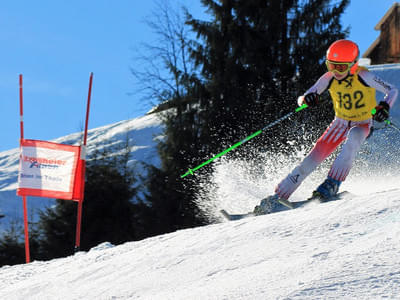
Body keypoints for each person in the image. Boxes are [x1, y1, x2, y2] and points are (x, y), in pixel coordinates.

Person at [254, 39, 398, 215]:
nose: (336, 72)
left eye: (341, 67)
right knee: (315, 156)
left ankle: (331, 185)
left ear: (353, 65)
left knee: (354, 137)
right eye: (332, 65)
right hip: (340, 123)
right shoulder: (329, 78)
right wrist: (307, 99)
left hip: (362, 123)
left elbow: (392, 90)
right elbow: (305, 96)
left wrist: (384, 106)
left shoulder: (364, 76)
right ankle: (278, 196)